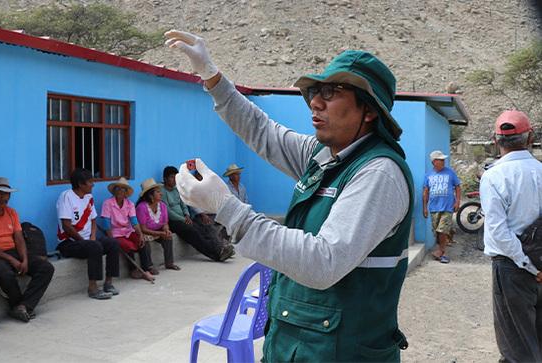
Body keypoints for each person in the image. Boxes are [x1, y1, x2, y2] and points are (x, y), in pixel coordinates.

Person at [167, 30, 414, 361]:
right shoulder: (326, 154)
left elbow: (323, 262)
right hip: (296, 345)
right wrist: (211, 75)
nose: (315, 101)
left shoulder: (378, 174)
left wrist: (227, 208)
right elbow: (264, 132)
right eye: (315, 91)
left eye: (331, 92)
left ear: (369, 110)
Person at [480, 110, 542, 362]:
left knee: (517, 347)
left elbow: (498, 231)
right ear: (529, 139)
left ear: (496, 141)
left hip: (512, 268)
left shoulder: (494, 176)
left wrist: (528, 265)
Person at [0, 177, 55, 322]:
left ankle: (24, 305)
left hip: (13, 251)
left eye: (6, 194)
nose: (3, 197)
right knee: (6, 274)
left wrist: (24, 259)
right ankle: (17, 305)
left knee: (46, 268)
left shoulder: (12, 213)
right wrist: (12, 260)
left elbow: (19, 239)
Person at [56, 168, 121, 300]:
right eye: (90, 182)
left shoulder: (88, 197)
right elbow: (66, 226)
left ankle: (108, 283)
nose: (93, 184)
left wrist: (92, 238)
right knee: (95, 247)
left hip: (87, 241)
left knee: (113, 243)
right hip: (69, 243)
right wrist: (85, 241)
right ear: (81, 184)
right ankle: (92, 288)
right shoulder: (66, 197)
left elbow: (93, 221)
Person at [160, 166, 233, 262]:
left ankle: (220, 250)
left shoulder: (176, 190)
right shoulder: (162, 191)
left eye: (176, 177)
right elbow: (167, 211)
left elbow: (183, 204)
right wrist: (183, 219)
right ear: (165, 178)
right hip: (173, 221)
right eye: (172, 177)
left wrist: (186, 215)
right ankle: (216, 255)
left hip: (184, 219)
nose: (174, 180)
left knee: (201, 229)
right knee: (194, 233)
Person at [101, 177, 157, 281]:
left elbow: (134, 221)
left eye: (122, 189)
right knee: (128, 246)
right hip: (115, 233)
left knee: (141, 242)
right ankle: (133, 269)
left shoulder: (129, 204)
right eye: (117, 188)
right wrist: (111, 239)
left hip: (128, 230)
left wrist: (140, 234)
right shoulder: (108, 203)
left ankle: (146, 270)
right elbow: (106, 224)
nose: (119, 191)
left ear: (125, 193)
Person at [422, 150, 461, 264]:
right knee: (437, 232)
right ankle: (443, 252)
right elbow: (425, 192)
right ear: (434, 162)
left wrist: (457, 201)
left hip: (448, 207)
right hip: (434, 208)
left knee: (442, 229)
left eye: (444, 160)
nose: (444, 162)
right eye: (441, 160)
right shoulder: (428, 175)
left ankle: (440, 251)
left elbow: (458, 187)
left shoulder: (450, 173)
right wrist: (425, 207)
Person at [135, 178, 180, 271]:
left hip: (158, 231)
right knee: (145, 241)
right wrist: (160, 234)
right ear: (151, 196)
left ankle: (169, 262)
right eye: (158, 192)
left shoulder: (162, 206)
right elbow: (143, 229)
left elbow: (165, 223)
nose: (161, 193)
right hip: (146, 232)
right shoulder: (141, 208)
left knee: (168, 237)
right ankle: (149, 266)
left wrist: (166, 230)